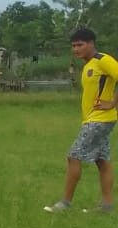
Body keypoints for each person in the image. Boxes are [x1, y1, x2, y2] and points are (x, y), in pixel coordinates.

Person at [44, 26, 118, 213]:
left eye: (80, 45)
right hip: (93, 119)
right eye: (73, 46)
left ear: (91, 43)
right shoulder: (88, 66)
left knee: (74, 156)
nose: (76, 49)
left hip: (100, 119)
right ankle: (107, 206)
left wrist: (112, 103)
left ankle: (64, 203)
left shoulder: (103, 60)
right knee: (102, 160)